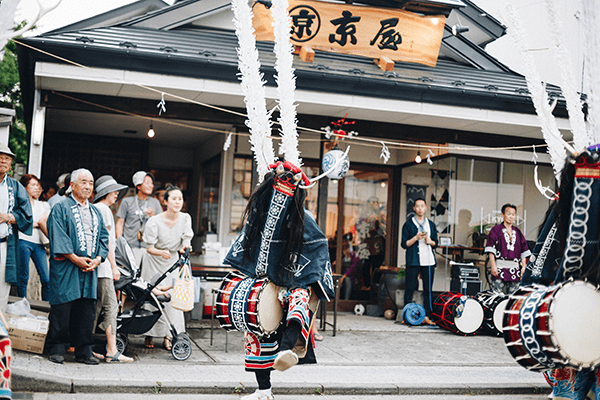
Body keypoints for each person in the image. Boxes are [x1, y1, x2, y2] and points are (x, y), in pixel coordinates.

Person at [222, 162, 334, 400]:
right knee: (256, 334)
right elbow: (249, 243)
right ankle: (264, 390)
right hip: (264, 282)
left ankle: (287, 349)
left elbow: (318, 246)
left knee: (298, 302)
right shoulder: (260, 214)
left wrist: (305, 277)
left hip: (293, 280)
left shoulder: (304, 217)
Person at [46, 169, 109, 365]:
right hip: (67, 266)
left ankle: (84, 351)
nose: (88, 186)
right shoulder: (61, 207)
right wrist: (75, 258)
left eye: (91, 183)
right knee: (63, 308)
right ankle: (57, 348)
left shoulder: (95, 211)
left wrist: (98, 258)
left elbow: (104, 239)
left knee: (86, 310)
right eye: (84, 182)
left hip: (89, 267)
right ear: (72, 185)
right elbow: (58, 235)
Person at [141, 186, 193, 350]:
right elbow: (148, 247)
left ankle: (170, 335)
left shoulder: (185, 218)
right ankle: (149, 334)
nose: (178, 202)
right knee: (152, 298)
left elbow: (186, 240)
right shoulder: (154, 221)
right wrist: (160, 252)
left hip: (173, 262)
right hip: (155, 261)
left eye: (180, 198)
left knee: (173, 299)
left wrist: (185, 248)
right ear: (165, 201)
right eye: (174, 198)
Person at [92, 175, 133, 363]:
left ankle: (86, 345)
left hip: (96, 268)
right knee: (110, 307)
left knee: (97, 307)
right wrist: (114, 267)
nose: (117, 194)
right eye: (114, 191)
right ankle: (111, 349)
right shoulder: (105, 210)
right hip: (104, 269)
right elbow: (108, 241)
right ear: (105, 193)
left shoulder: (95, 209)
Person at [0, 144, 33, 312]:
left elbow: (26, 214)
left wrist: (9, 217)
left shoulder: (14, 186)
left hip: (5, 243)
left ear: (11, 162)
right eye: (0, 156)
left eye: (7, 158)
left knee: (2, 290)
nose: (3, 161)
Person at [401, 197, 438, 326]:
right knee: (410, 288)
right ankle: (407, 315)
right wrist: (416, 237)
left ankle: (429, 316)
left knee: (428, 290)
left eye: (422, 206)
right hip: (413, 260)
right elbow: (404, 244)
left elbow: (436, 243)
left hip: (428, 260)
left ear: (426, 208)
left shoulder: (431, 224)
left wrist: (430, 241)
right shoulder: (408, 224)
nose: (420, 208)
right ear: (414, 208)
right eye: (418, 206)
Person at [116, 171, 162, 268]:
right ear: (138, 186)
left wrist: (153, 216)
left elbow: (161, 225)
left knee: (147, 278)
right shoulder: (127, 201)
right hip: (130, 247)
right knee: (130, 276)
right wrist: (120, 243)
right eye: (147, 183)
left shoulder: (155, 202)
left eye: (152, 183)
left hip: (149, 247)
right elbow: (120, 223)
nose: (151, 186)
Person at [17, 174, 50, 301]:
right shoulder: (19, 203)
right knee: (23, 277)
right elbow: (18, 221)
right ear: (24, 187)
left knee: (46, 278)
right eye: (34, 185)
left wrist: (29, 223)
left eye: (38, 186)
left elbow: (45, 221)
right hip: (23, 240)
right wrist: (37, 223)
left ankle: (46, 306)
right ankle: (22, 303)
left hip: (39, 243)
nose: (37, 188)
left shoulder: (43, 205)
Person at [484, 203, 530, 295]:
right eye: (508, 214)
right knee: (496, 296)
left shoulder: (518, 232)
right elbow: (491, 249)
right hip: (499, 268)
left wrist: (524, 267)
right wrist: (493, 266)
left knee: (513, 298)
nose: (511, 217)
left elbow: (524, 251)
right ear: (503, 215)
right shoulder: (495, 230)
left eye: (513, 214)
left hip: (515, 270)